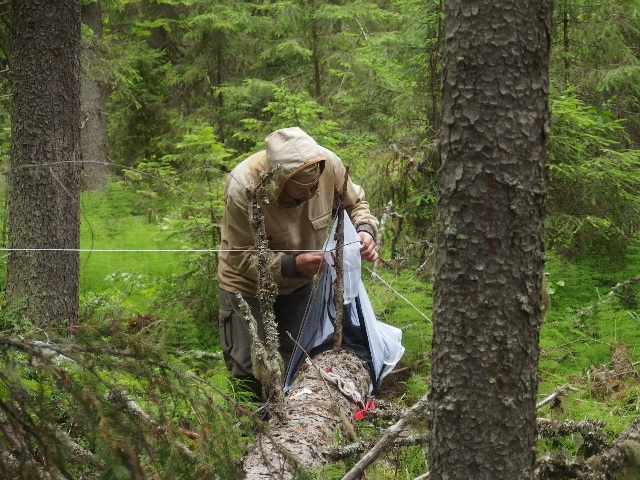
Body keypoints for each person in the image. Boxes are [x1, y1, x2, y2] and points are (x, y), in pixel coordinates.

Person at [217, 126, 379, 399]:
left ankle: (293, 428)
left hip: (299, 284)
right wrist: (290, 265)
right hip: (245, 287)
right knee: (249, 368)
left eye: (315, 188)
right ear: (278, 181)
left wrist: (365, 230)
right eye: (300, 191)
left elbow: (355, 205)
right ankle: (253, 432)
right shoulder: (242, 187)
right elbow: (241, 254)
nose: (310, 196)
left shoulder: (329, 165)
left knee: (298, 356)